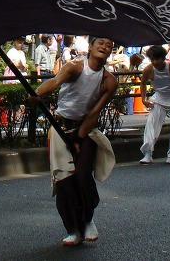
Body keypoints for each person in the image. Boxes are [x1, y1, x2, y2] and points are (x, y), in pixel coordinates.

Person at [27, 37, 118, 246]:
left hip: (86, 129)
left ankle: (87, 219)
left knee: (83, 174)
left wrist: (79, 137)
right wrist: (38, 93)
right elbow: (55, 81)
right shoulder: (75, 67)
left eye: (109, 45)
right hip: (60, 126)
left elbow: (95, 111)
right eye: (100, 43)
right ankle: (72, 229)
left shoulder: (109, 80)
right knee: (65, 179)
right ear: (91, 46)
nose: (105, 47)